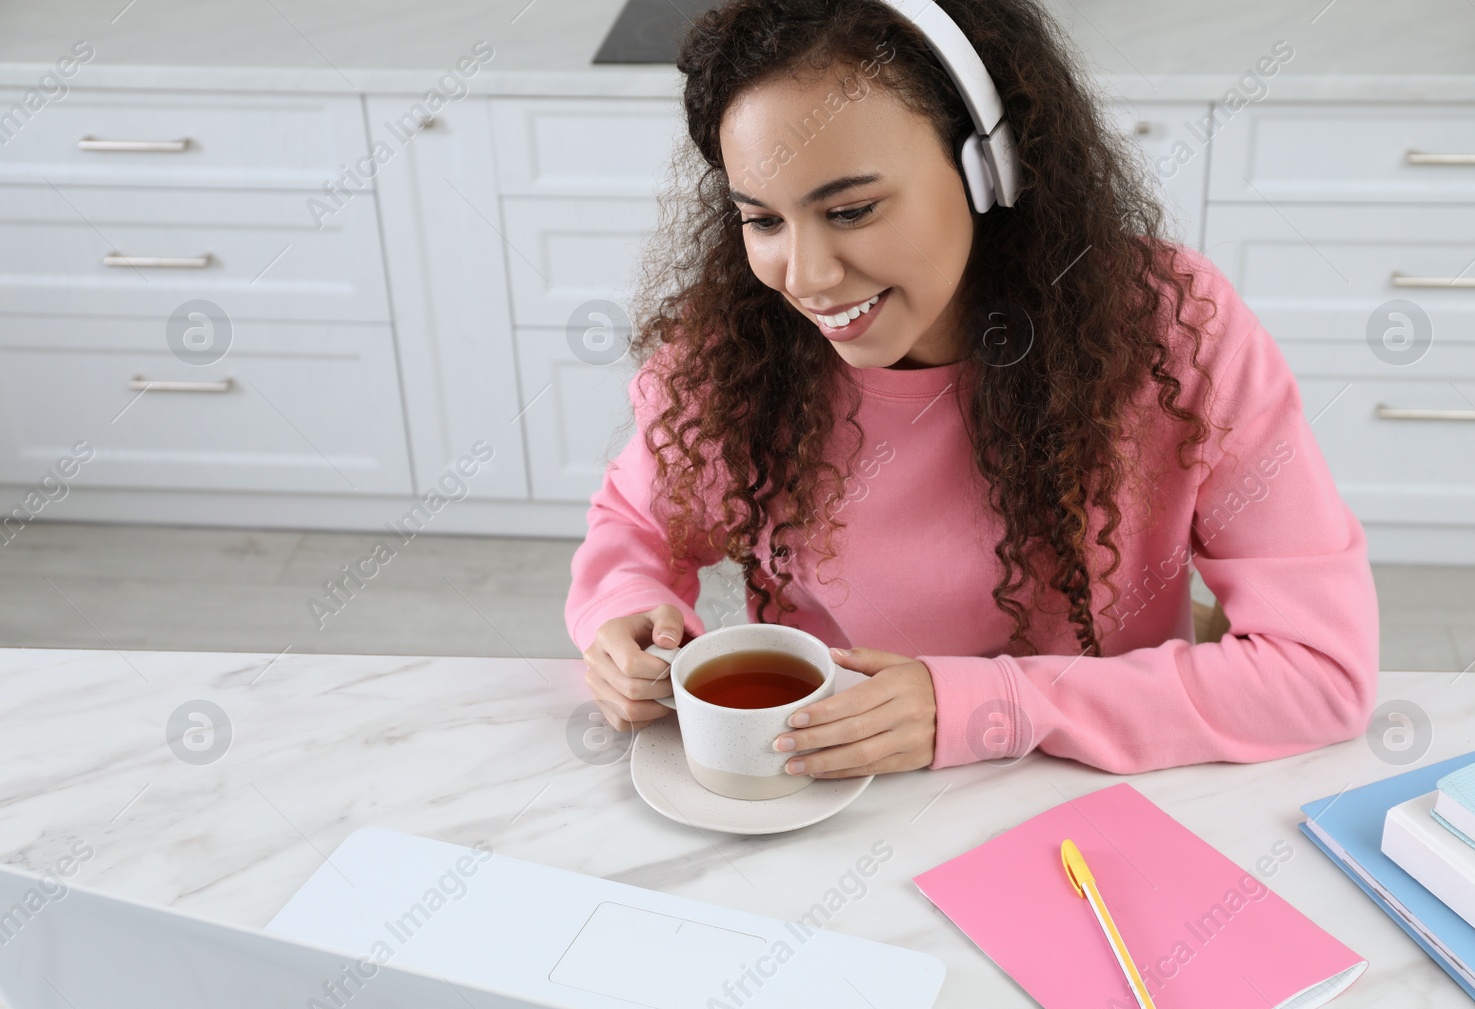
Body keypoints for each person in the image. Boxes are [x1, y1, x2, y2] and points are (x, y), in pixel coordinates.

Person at [566, 0, 1378, 780]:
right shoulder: (733, 354)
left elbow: (1322, 672)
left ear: (990, 168)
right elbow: (638, 524)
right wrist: (625, 611)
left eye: (850, 210)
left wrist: (990, 707)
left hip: (1093, 790)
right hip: (828, 784)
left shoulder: (1171, 330)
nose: (805, 277)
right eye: (764, 221)